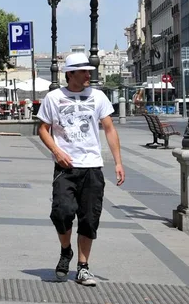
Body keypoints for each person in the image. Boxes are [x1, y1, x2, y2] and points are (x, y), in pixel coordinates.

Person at [37, 53, 125, 287]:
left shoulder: (98, 96)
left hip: (92, 167)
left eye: (89, 71)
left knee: (89, 218)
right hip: (65, 168)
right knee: (62, 213)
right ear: (70, 74)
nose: (89, 75)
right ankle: (66, 251)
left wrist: (117, 162)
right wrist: (57, 151)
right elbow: (43, 129)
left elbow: (109, 129)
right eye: (84, 71)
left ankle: (83, 267)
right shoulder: (54, 98)